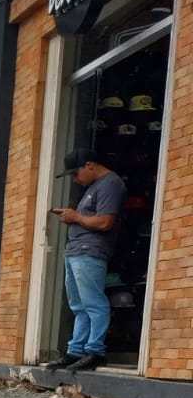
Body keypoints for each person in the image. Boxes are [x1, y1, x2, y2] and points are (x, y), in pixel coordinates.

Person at [53, 149, 126, 371]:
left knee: (93, 302)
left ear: (89, 165)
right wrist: (74, 218)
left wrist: (75, 216)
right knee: (79, 305)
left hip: (90, 251)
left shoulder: (110, 184)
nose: (75, 180)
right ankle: (76, 350)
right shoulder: (93, 187)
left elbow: (105, 222)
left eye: (75, 174)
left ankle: (95, 351)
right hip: (76, 251)